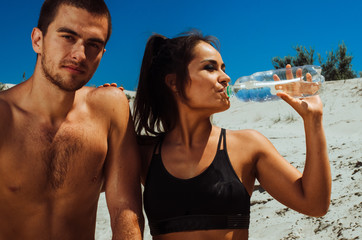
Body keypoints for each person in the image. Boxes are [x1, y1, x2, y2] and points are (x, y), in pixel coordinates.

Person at [132, 31, 331, 240]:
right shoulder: (144, 154)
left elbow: (314, 204)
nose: (226, 77)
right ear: (174, 83)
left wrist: (313, 121)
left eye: (223, 68)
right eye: (210, 67)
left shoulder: (248, 146)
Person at [0, 0, 143, 239]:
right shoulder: (4, 118)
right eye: (68, 37)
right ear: (38, 40)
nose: (80, 55)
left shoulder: (110, 109)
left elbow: (124, 211)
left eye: (94, 44)